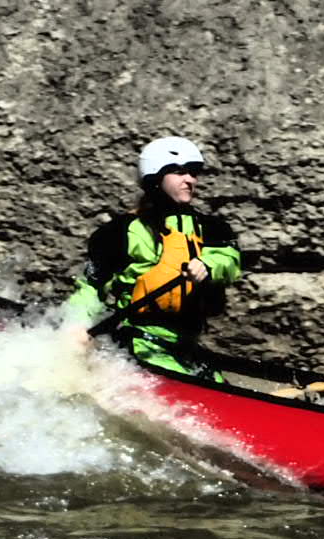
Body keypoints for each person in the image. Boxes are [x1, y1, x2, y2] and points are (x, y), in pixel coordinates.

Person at [68, 136, 243, 376]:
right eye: (179, 172)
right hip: (140, 345)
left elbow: (229, 260)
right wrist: (77, 324)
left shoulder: (213, 227)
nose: (190, 180)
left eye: (193, 172)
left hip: (186, 345)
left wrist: (207, 265)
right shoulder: (119, 232)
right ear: (154, 177)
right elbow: (91, 287)